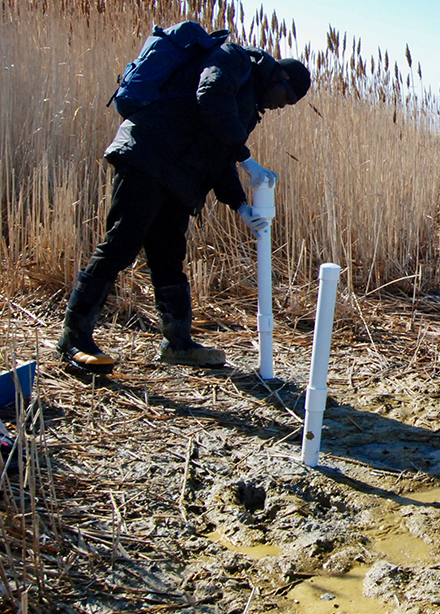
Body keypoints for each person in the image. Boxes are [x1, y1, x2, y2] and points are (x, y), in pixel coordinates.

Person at [56, 38, 311, 374]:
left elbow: (220, 152)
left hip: (177, 174)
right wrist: (247, 160)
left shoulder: (247, 107)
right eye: (287, 99)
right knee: (122, 243)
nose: (282, 107)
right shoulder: (233, 60)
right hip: (148, 153)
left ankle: (177, 343)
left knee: (168, 254)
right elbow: (210, 96)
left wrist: (240, 206)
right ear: (281, 77)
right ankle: (73, 338)